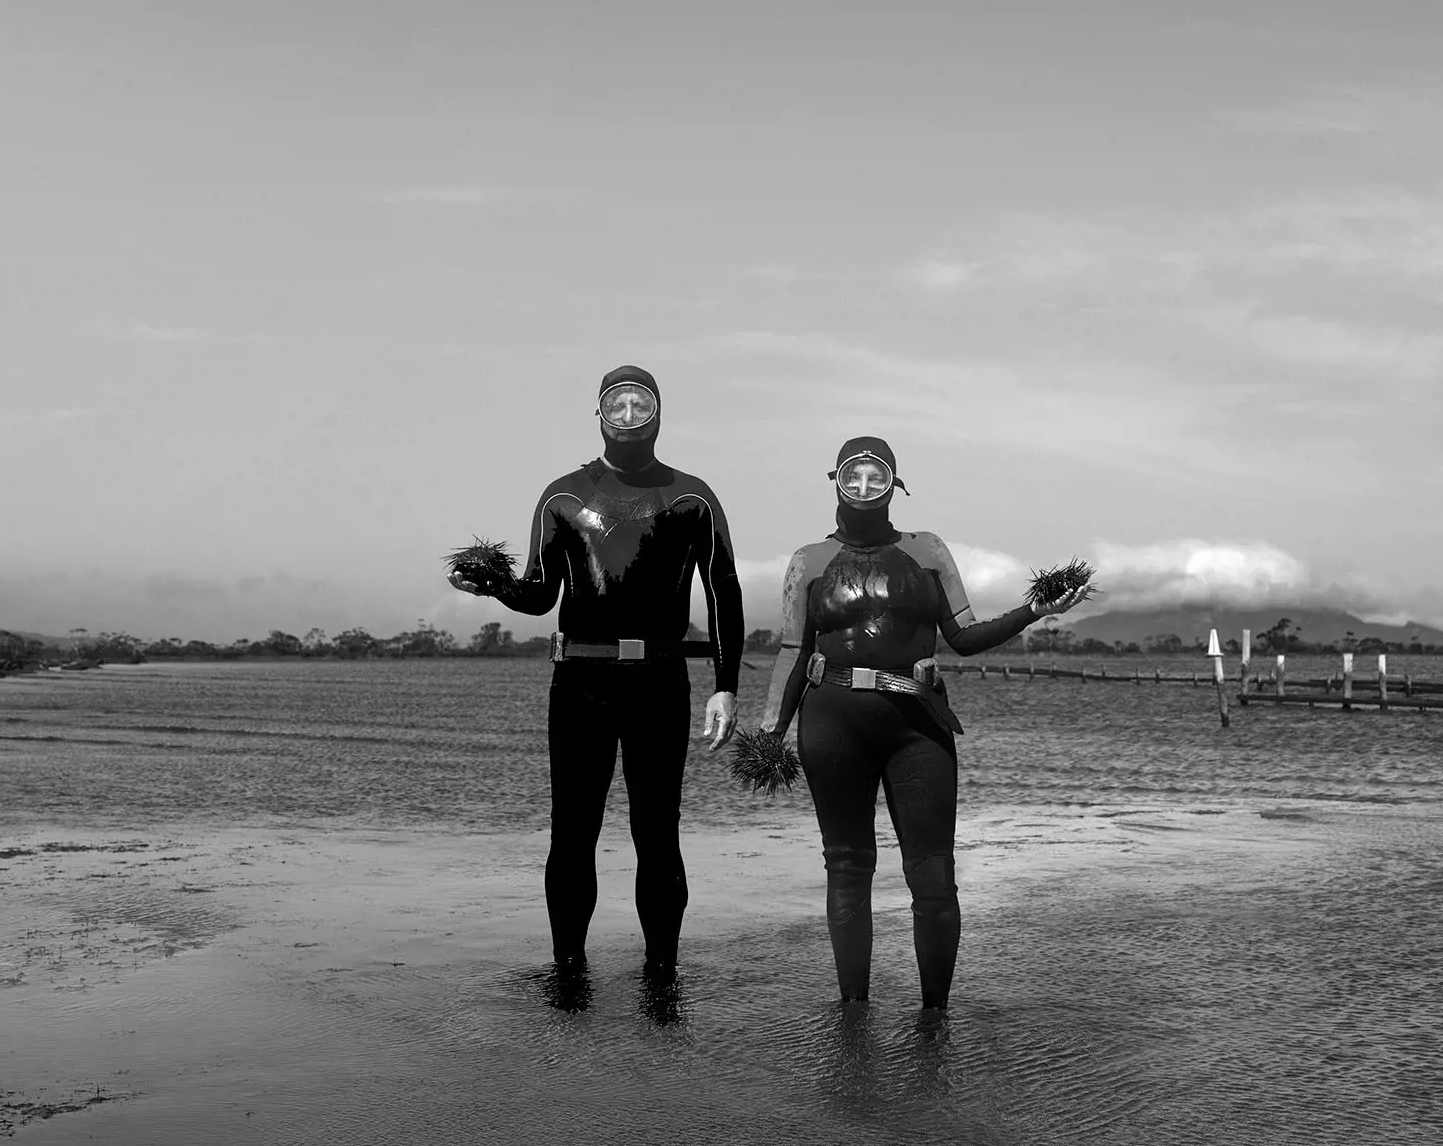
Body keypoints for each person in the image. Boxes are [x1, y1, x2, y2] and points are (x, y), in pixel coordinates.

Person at [759, 436, 1086, 1009]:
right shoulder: (807, 560)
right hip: (831, 722)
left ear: (894, 484)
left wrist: (1035, 610)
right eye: (853, 476)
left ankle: (935, 1019)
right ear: (835, 479)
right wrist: (769, 732)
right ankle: (852, 1014)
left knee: (934, 880)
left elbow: (963, 636)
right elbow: (792, 650)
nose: (863, 487)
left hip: (918, 724)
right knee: (848, 868)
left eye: (876, 476)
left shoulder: (927, 550)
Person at [451, 366, 743, 988]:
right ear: (600, 414)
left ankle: (662, 978)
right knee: (573, 829)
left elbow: (724, 593)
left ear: (660, 415)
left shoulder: (692, 497)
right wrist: (494, 584)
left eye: (643, 403)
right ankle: (567, 972)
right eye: (619, 402)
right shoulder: (563, 496)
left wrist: (726, 684)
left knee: (657, 833)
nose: (631, 412)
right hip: (580, 683)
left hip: (660, 683)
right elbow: (539, 594)